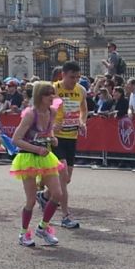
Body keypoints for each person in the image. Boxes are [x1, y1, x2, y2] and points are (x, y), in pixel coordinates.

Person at [9, 80, 68, 247]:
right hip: (28, 157)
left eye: (52, 93)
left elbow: (47, 132)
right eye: (48, 94)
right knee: (31, 201)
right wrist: (36, 149)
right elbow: (16, 139)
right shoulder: (30, 114)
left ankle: (43, 227)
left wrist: (53, 138)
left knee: (57, 193)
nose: (52, 97)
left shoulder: (52, 112)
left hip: (45, 156)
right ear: (40, 96)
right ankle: (23, 233)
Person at [47, 60, 88, 230]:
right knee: (63, 174)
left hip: (72, 136)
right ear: (63, 75)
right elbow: (43, 110)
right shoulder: (53, 89)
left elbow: (84, 109)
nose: (75, 81)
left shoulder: (81, 90)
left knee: (66, 179)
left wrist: (82, 122)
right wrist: (50, 125)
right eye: (72, 77)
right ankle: (65, 215)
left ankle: (45, 195)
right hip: (56, 137)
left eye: (77, 77)